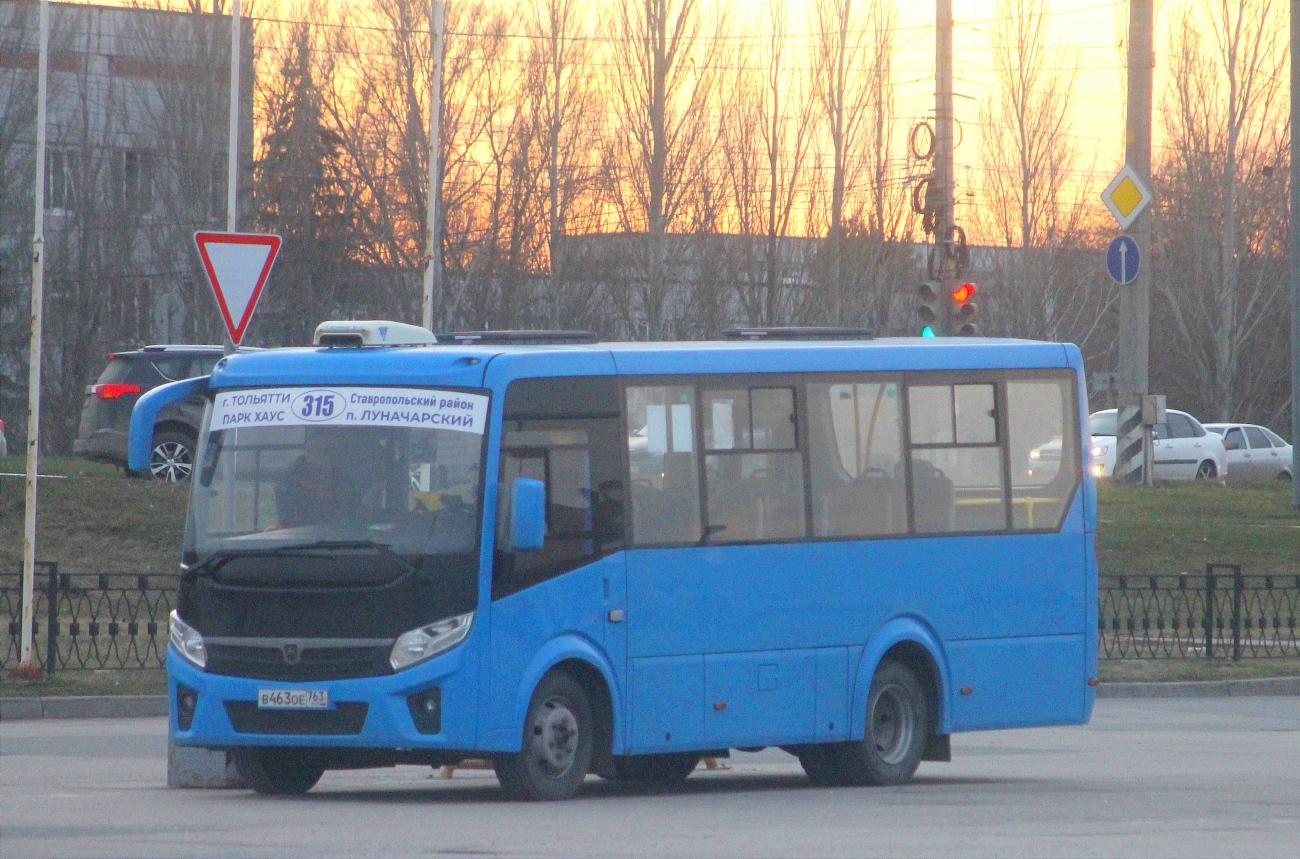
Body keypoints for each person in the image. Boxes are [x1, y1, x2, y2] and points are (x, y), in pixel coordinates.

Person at [275, 429, 371, 528]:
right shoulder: (290, 481)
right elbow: (288, 519)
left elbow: (355, 512)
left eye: (329, 452)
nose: (323, 456)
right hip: (299, 540)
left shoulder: (342, 480)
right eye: (314, 450)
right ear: (307, 450)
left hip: (342, 539)